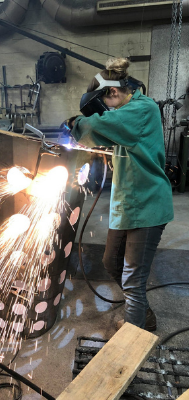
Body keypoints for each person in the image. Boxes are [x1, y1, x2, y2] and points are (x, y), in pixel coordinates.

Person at [70, 58, 174, 331]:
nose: (105, 112)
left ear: (112, 93)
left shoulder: (142, 108)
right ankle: (144, 315)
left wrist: (76, 123)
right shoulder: (126, 113)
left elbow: (93, 128)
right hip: (128, 204)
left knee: (132, 279)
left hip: (147, 205)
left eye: (105, 106)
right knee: (111, 261)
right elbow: (106, 133)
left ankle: (134, 336)